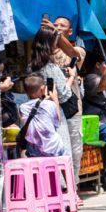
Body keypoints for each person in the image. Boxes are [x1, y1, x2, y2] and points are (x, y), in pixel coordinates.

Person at [29, 27, 82, 176]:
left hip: (37, 114)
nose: (57, 46)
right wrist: (71, 77)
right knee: (62, 152)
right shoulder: (51, 67)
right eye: (55, 42)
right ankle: (69, 190)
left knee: (44, 153)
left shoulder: (31, 66)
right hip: (55, 113)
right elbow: (64, 94)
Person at [18, 74, 64, 157]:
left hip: (35, 151)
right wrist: (55, 99)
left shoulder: (22, 108)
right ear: (43, 88)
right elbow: (57, 123)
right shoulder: (50, 104)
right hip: (54, 150)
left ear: (25, 91)